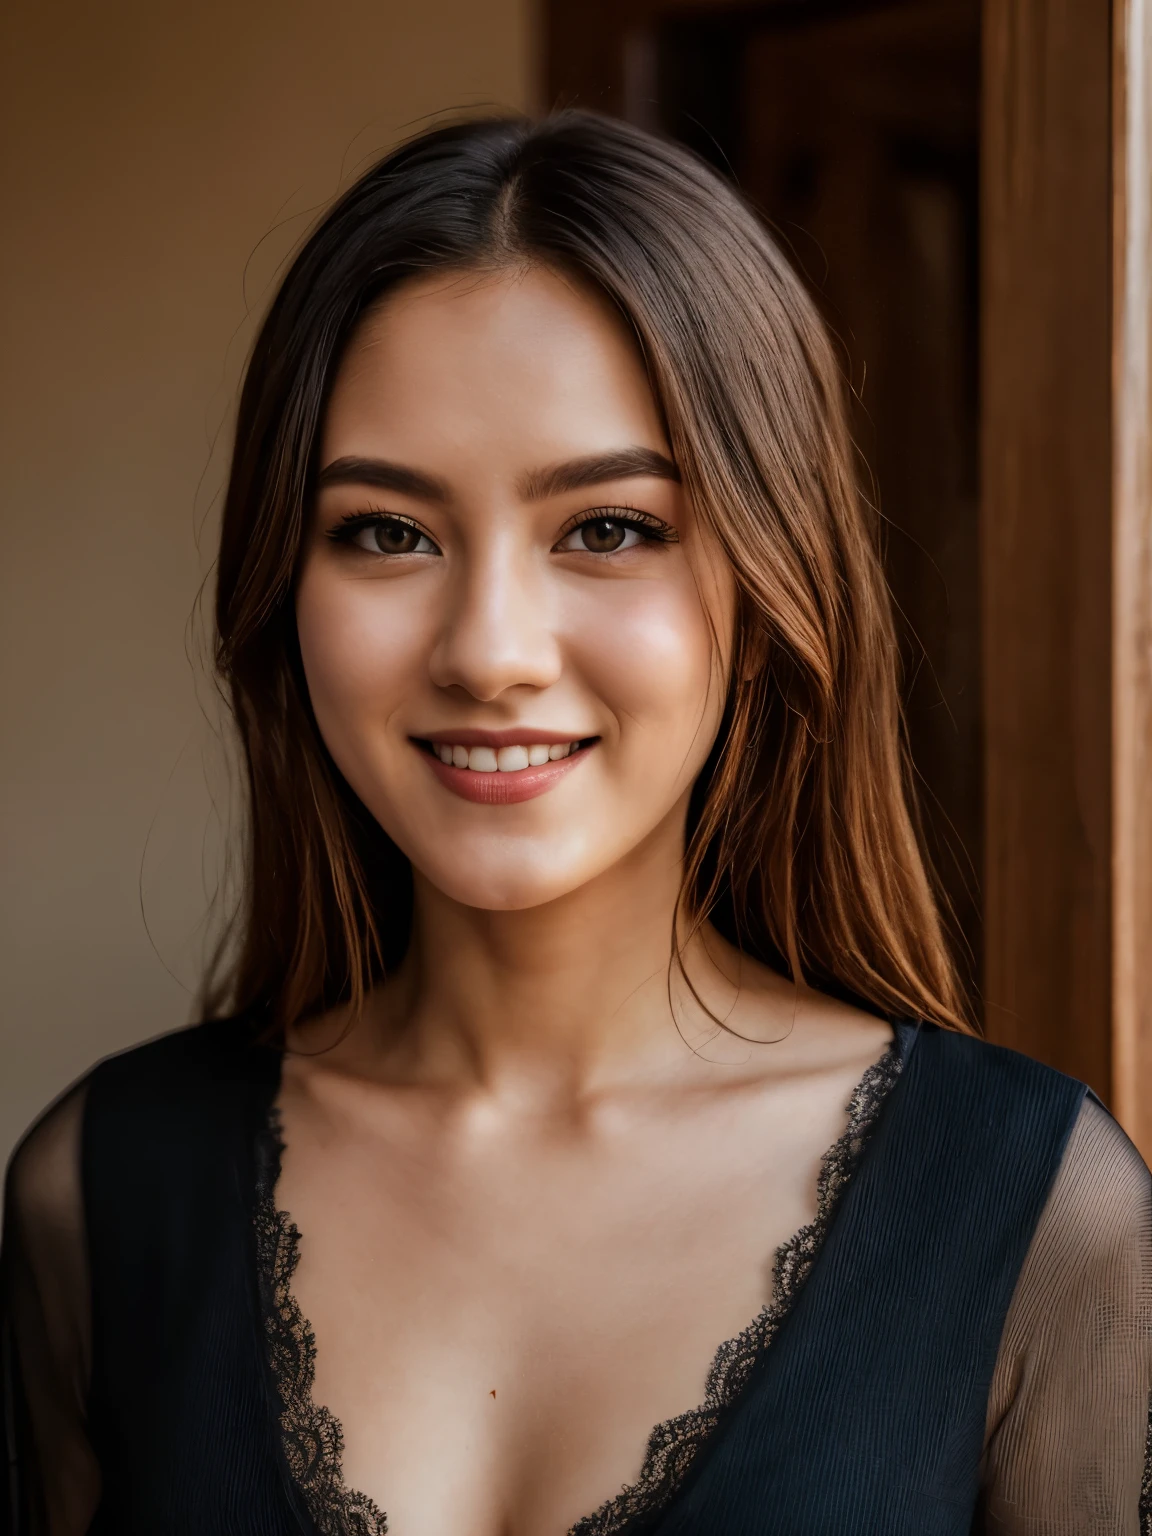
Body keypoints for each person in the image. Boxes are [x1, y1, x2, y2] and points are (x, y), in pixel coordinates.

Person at [2, 111, 1149, 1536]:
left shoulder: (1028, 1209)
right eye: (386, 531)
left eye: (608, 528)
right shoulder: (99, 1197)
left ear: (773, 575)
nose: (489, 649)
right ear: (279, 590)